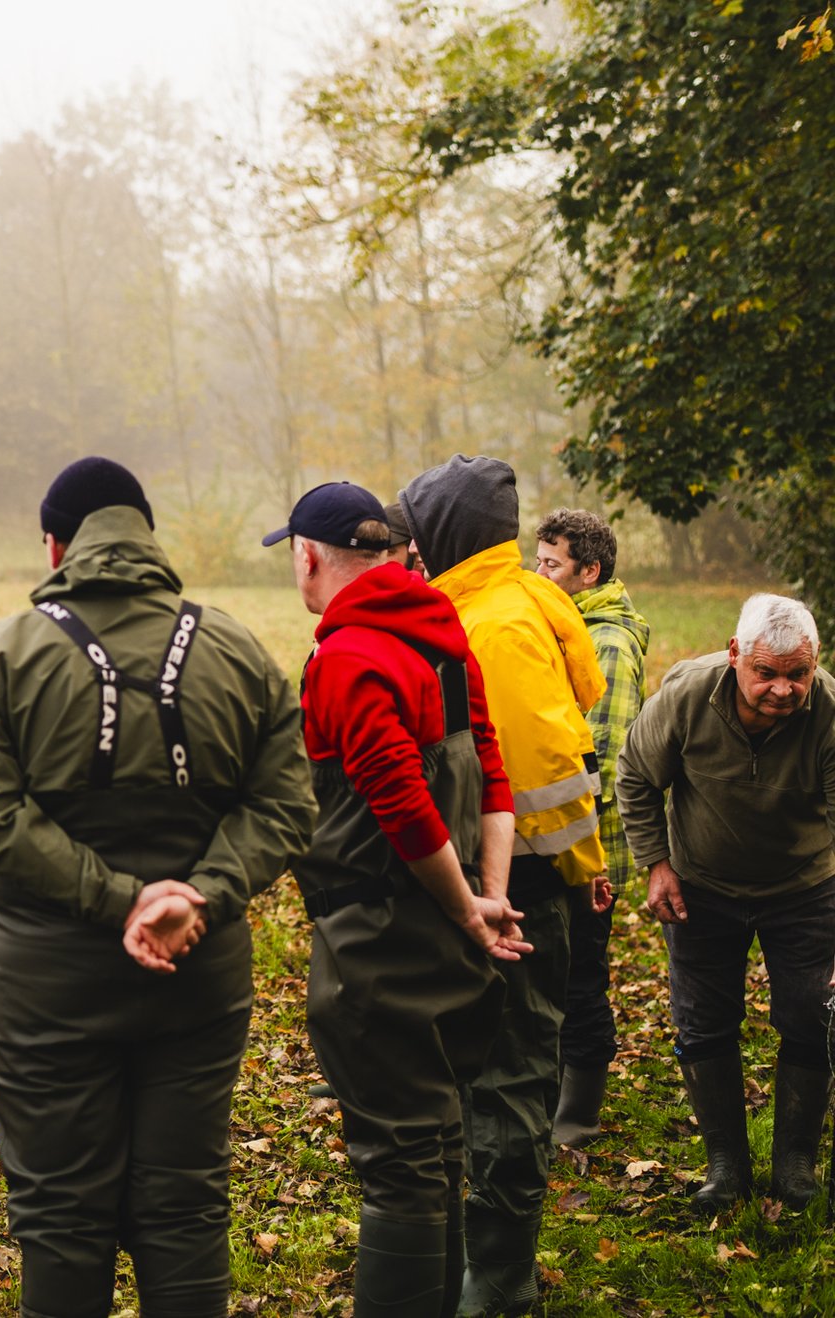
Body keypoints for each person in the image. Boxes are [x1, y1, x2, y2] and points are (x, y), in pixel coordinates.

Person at [0, 457, 315, 1318]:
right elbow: (289, 803)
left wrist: (118, 902)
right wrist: (196, 896)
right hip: (200, 968)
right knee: (185, 1204)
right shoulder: (238, 650)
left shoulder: (4, 653)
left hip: (47, 980)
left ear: (54, 545)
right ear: (148, 538)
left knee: (60, 1211)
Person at [274, 481, 526, 1317]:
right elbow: (491, 771)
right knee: (438, 1139)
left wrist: (464, 908)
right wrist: (488, 899)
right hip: (453, 933)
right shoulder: (443, 638)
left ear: (309, 559)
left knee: (400, 1161)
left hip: (382, 942)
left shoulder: (345, 656)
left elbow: (399, 798)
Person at [396, 456, 608, 1317]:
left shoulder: (498, 621)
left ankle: (502, 1273)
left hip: (514, 883)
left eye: (416, 532)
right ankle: (466, 1254)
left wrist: (574, 869)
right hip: (478, 874)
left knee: (513, 1075)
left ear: (445, 532)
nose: (405, 549)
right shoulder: (487, 601)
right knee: (468, 1072)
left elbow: (544, 766)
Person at [617, 593, 835, 1213]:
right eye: (766, 673)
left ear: (814, 663)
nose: (783, 690)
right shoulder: (688, 695)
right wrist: (656, 864)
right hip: (703, 884)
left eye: (798, 674)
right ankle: (725, 1166)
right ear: (736, 655)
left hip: (805, 886)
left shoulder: (830, 713)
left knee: (811, 1016)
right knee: (702, 1019)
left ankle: (794, 1163)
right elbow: (634, 774)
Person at [533, 508, 650, 1147]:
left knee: (581, 976)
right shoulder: (571, 624)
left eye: (551, 564)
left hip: (588, 846)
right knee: (560, 969)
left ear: (590, 571)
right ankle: (555, 1093)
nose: (538, 572)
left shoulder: (603, 640)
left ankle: (578, 1115)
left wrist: (590, 863)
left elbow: (600, 757)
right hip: (567, 839)